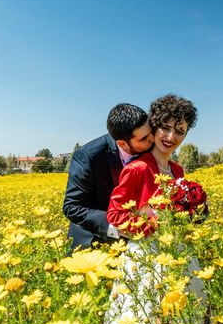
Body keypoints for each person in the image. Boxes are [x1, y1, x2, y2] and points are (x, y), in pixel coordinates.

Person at [102, 94, 205, 324]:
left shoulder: (178, 170)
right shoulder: (137, 168)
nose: (171, 136)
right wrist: (152, 223)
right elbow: (115, 215)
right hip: (147, 260)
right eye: (166, 127)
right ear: (154, 126)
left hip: (178, 256)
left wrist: (192, 216)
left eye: (180, 131)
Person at [62, 103, 154, 251]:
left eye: (151, 133)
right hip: (93, 242)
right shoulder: (88, 156)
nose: (152, 140)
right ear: (122, 144)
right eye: (144, 138)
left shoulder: (151, 148)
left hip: (140, 245)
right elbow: (72, 207)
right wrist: (117, 227)